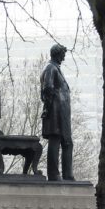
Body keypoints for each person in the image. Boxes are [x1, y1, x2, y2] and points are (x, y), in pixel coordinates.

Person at [40, 44, 75, 181]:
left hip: (62, 112)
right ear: (57, 54)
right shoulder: (50, 68)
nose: (64, 58)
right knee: (55, 139)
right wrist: (49, 107)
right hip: (56, 111)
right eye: (63, 55)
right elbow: (48, 88)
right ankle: (54, 174)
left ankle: (68, 174)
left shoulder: (56, 68)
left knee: (67, 142)